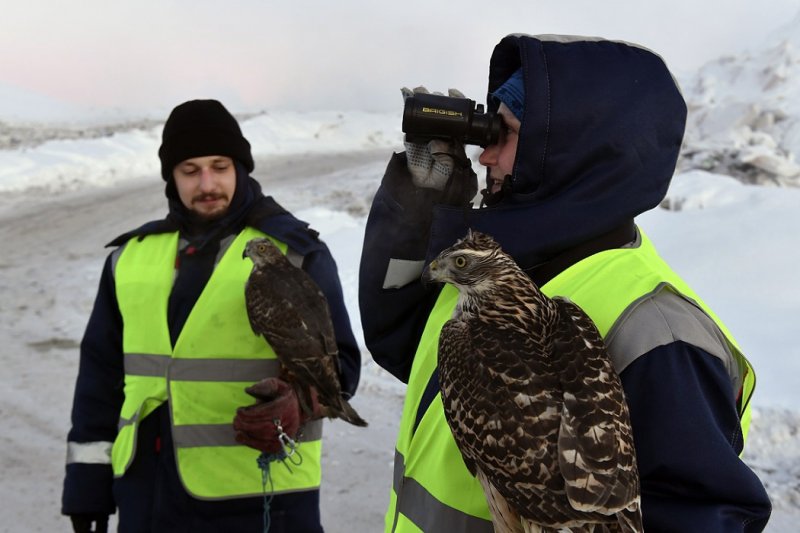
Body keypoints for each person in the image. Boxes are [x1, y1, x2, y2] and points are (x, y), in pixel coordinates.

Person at [358, 34, 772, 532]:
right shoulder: (500, 272)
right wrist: (426, 199)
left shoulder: (659, 328)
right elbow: (400, 342)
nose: (485, 157)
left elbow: (701, 517)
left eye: (505, 135)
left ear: (567, 152)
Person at [62, 99, 361, 532]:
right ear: (171, 178)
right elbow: (100, 380)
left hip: (261, 500)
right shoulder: (130, 259)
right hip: (147, 501)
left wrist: (298, 402)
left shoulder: (295, 254)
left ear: (241, 169)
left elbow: (343, 369)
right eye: (190, 170)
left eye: (219, 166)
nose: (207, 182)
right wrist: (87, 486)